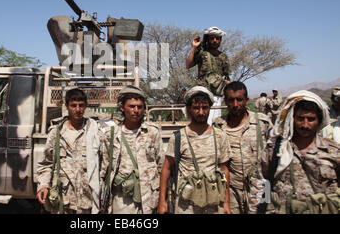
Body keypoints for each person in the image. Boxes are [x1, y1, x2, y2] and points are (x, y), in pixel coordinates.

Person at [251, 90, 340, 214]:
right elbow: (260, 184)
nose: (305, 124)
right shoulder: (275, 150)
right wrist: (260, 210)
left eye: (311, 119)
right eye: (300, 118)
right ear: (292, 118)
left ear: (319, 120)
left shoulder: (333, 152)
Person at [158, 86, 232, 214]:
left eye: (205, 108)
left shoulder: (220, 136)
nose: (201, 112)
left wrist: (226, 203)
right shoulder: (178, 137)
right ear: (189, 109)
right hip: (186, 206)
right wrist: (162, 202)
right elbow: (167, 169)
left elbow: (224, 170)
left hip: (213, 204)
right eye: (196, 108)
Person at [99, 85, 163, 214]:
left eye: (140, 107)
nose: (136, 110)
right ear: (122, 108)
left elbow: (161, 165)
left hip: (149, 198)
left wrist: (163, 197)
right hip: (122, 200)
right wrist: (101, 195)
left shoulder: (152, 132)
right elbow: (104, 168)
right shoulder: (110, 134)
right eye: (132, 106)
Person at [36, 88, 101, 214]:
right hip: (62, 200)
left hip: (87, 200)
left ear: (86, 106)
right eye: (73, 105)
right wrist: (43, 186)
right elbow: (46, 164)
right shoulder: (56, 133)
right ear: (66, 106)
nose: (77, 110)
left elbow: (103, 165)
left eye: (81, 105)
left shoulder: (94, 131)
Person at [213, 82, 272, 214]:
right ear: (225, 101)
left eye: (239, 99)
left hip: (261, 188)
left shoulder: (262, 123)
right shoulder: (218, 125)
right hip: (232, 189)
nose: (235, 105)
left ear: (246, 100)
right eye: (231, 100)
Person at [185, 26, 230, 125]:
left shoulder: (223, 57)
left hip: (216, 94)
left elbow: (227, 77)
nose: (215, 40)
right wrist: (194, 48)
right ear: (208, 39)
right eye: (212, 38)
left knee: (215, 122)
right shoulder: (202, 53)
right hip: (202, 92)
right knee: (201, 119)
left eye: (217, 38)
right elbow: (188, 65)